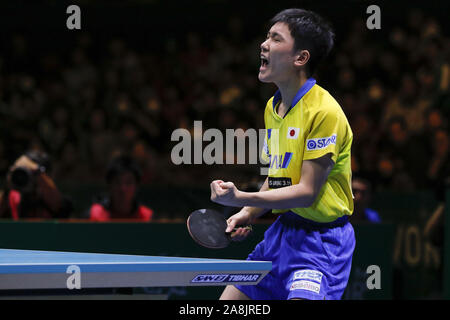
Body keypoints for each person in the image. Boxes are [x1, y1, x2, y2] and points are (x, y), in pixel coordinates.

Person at [210, 8, 355, 300]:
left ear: (300, 58)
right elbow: (280, 178)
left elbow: (306, 192)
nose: (264, 44)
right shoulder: (273, 107)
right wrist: (248, 213)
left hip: (321, 242)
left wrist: (242, 197)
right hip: (281, 233)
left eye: (276, 39)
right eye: (266, 37)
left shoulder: (324, 112)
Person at [0, 150, 72, 219]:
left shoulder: (52, 199)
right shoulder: (14, 198)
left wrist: (36, 171)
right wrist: (12, 177)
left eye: (33, 174)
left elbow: (57, 202)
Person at [88, 155, 154, 221]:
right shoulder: (94, 214)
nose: (123, 188)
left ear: (136, 186)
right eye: (117, 182)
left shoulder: (147, 217)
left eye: (128, 182)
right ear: (109, 185)